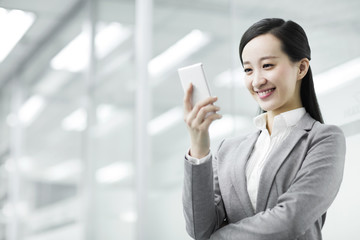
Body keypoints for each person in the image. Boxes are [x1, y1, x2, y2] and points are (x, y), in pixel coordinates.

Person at [182, 18, 346, 240]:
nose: (257, 81)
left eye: (267, 65)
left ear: (301, 68)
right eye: (248, 69)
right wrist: (199, 147)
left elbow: (290, 220)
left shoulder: (323, 139)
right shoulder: (228, 150)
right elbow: (199, 229)